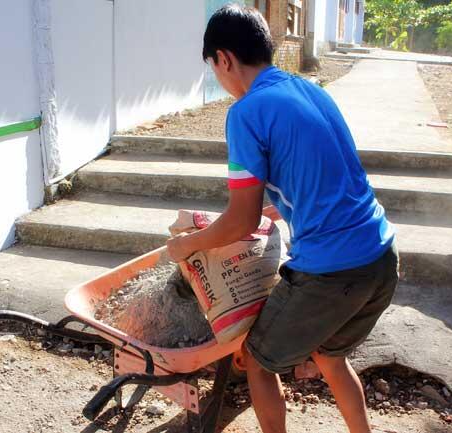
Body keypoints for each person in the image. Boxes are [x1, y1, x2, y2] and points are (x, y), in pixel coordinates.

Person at [166, 5, 398, 433]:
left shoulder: (247, 112)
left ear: (224, 58)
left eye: (214, 69)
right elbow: (327, 180)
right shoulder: (311, 90)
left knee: (256, 360)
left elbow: (239, 221)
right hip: (381, 259)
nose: (218, 79)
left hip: (333, 272)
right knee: (330, 357)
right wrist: (282, 209)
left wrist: (189, 245)